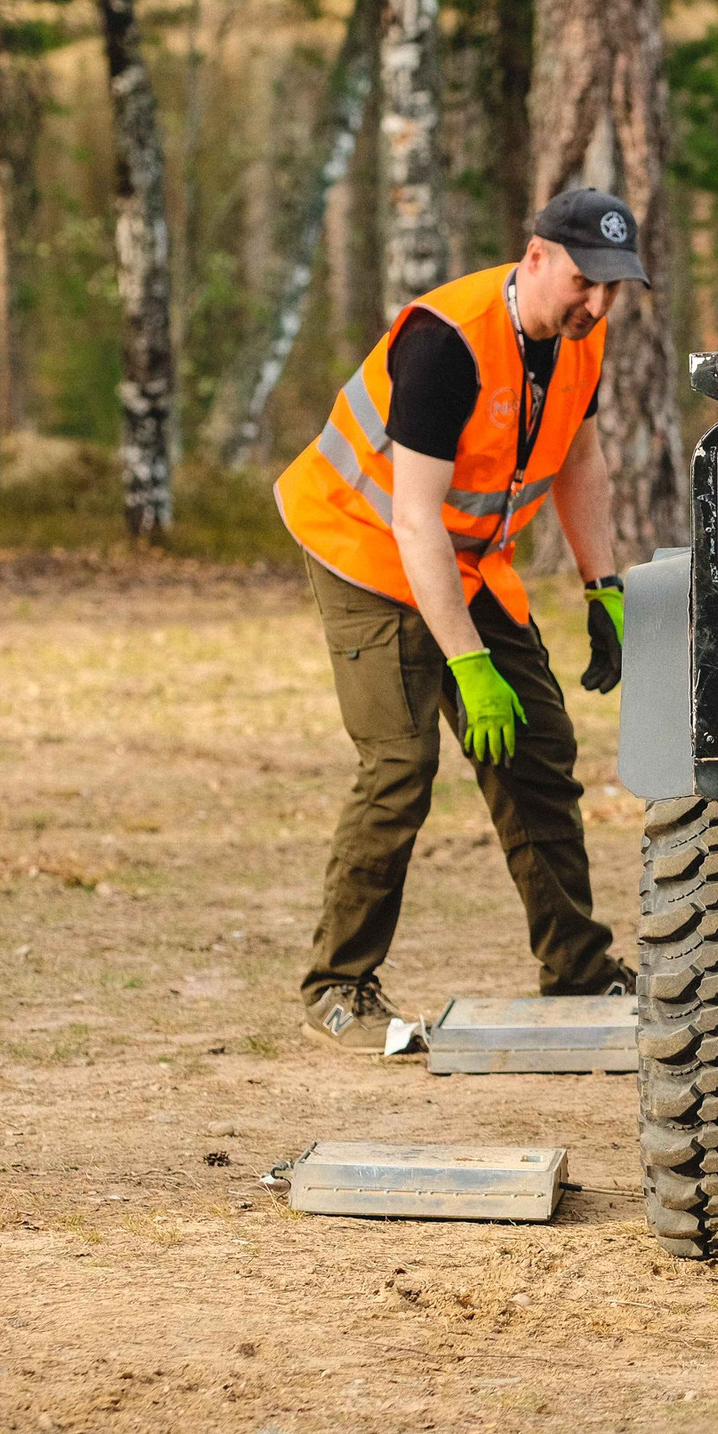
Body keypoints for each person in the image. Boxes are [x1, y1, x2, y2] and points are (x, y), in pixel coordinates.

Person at [274, 189, 645, 1052]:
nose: (597, 304)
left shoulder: (577, 340)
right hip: (365, 545)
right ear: (536, 257)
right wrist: (470, 667)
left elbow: (579, 458)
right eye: (586, 282)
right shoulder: (447, 342)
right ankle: (337, 987)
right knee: (402, 762)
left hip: (464, 556)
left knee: (539, 749)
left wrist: (605, 586)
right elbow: (411, 521)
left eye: (615, 289)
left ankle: (577, 970)